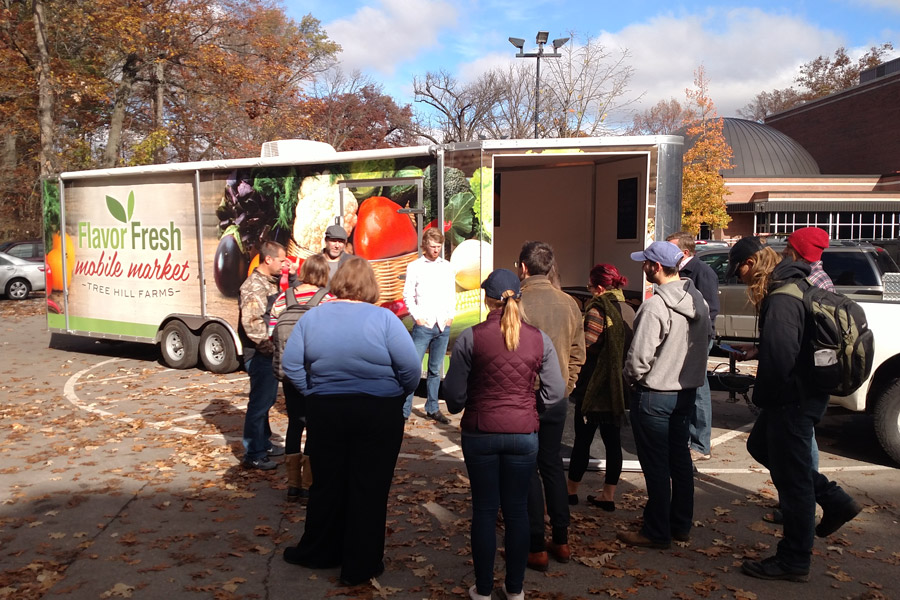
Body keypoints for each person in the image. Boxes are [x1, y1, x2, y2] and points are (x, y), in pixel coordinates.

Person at [724, 237, 861, 582]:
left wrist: (761, 395)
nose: (738, 278)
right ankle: (834, 499)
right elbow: (793, 345)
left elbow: (782, 359)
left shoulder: (783, 295)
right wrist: (758, 352)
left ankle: (794, 559)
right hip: (801, 393)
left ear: (752, 263)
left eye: (738, 269)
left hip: (793, 399)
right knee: (760, 447)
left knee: (795, 481)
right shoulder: (790, 286)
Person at [280, 257, 421, 586]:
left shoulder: (312, 318)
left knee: (327, 483)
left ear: (337, 281)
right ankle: (360, 564)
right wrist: (394, 392)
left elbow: (291, 364)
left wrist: (313, 391)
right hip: (378, 412)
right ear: (370, 285)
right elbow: (412, 371)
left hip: (326, 410)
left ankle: (320, 550)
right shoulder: (385, 319)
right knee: (369, 488)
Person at [444, 269, 565, 600]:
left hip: (480, 433)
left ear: (487, 301)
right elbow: (555, 392)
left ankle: (482, 590)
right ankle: (515, 589)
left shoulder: (470, 337)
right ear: (519, 298)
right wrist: (530, 411)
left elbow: (453, 397)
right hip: (523, 433)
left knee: (484, 510)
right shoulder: (539, 338)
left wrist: (472, 402)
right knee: (517, 510)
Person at [618, 240, 709, 549]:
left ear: (655, 267)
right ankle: (679, 524)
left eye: (645, 262)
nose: (642, 267)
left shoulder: (655, 306)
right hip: (685, 393)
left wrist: (631, 380)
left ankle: (656, 531)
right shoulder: (698, 301)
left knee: (656, 466)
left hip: (655, 394)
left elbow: (638, 358)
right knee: (679, 460)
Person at [517, 241, 585, 570]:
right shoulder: (570, 303)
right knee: (553, 466)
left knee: (529, 471)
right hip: (557, 398)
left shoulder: (517, 302)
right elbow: (578, 354)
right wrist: (565, 387)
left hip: (524, 397)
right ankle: (561, 539)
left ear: (523, 268)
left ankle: (535, 545)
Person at [765, 226, 833, 525]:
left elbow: (789, 346)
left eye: (787, 247)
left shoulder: (804, 283)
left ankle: (811, 503)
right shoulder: (820, 279)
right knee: (767, 445)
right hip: (809, 384)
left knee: (801, 451)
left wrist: (772, 391)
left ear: (795, 251)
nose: (782, 252)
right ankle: (820, 498)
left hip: (799, 387)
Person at [566, 264, 635, 511]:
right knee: (613, 442)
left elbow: (587, 344)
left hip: (594, 387)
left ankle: (571, 491)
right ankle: (608, 495)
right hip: (617, 386)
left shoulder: (598, 309)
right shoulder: (628, 309)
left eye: (589, 287)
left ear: (598, 287)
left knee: (582, 441)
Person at [268, 253, 335, 501]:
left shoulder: (283, 299)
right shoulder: (327, 300)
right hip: (315, 374)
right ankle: (309, 484)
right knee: (315, 426)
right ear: (323, 274)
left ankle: (293, 484)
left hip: (288, 372)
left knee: (295, 423)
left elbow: (271, 334)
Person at [666, 231, 719, 461]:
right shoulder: (680, 271)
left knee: (698, 389)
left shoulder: (702, 272)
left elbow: (710, 310)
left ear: (685, 252)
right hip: (685, 338)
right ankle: (689, 439)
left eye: (671, 249)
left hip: (697, 339)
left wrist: (700, 338)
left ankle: (700, 444)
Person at [238, 240, 290, 470]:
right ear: (268, 259)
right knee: (259, 403)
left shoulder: (270, 282)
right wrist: (271, 350)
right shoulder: (254, 288)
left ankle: (264, 443)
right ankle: (254, 453)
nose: (284, 264)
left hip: (267, 353)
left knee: (267, 400)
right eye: (281, 260)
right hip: (260, 355)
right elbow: (253, 325)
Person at [402, 227, 456, 424]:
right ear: (425, 246)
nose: (436, 250)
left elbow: (452, 293)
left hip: (442, 324)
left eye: (439, 247)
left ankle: (432, 407)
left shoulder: (447, 267)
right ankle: (404, 409)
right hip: (424, 324)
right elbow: (408, 295)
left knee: (435, 369)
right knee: (414, 368)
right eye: (433, 246)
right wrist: (417, 317)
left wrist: (450, 316)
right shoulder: (415, 266)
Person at [784, 227, 834, 291]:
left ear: (803, 252)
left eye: (789, 247)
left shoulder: (809, 282)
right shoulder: (816, 277)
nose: (785, 251)